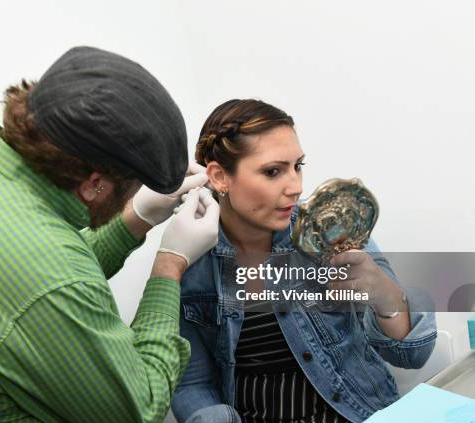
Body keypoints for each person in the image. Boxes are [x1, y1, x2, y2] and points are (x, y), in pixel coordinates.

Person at [0, 46, 219, 422]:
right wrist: (170, 263)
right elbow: (139, 408)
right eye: (133, 187)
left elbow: (23, 276)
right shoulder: (52, 278)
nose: (135, 194)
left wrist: (135, 217)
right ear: (94, 183)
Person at [171, 99, 437, 423]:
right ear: (219, 177)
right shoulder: (191, 261)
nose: (296, 187)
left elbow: (412, 353)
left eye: (298, 166)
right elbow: (192, 384)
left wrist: (384, 294)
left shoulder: (331, 228)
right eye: (273, 171)